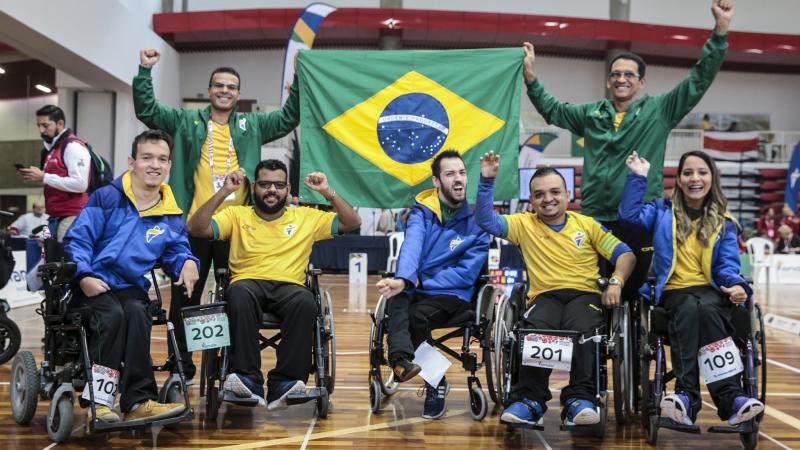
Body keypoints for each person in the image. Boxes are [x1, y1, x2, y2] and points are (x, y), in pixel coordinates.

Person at [521, 0, 733, 306]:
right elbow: (553, 111)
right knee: (593, 290)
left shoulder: (660, 110)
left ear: (641, 81)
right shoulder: (591, 113)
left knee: (633, 294)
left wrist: (721, 31)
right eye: (616, 74)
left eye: (629, 74)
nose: (621, 79)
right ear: (608, 81)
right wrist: (531, 78)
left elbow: (698, 80)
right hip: (594, 216)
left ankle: (633, 348)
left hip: (638, 217)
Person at [134, 49, 301, 380]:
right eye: (219, 86)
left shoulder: (252, 124)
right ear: (209, 91)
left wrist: (297, 80)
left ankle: (233, 368)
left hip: (237, 229)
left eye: (231, 87)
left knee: (237, 297)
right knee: (185, 296)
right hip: (192, 227)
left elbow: (288, 118)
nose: (225, 91)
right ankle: (181, 365)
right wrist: (144, 70)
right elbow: (147, 110)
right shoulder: (184, 120)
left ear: (238, 94)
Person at [475, 151, 635, 427]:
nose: (547, 199)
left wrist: (616, 281)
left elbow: (625, 255)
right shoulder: (523, 224)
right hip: (545, 296)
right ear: (531, 200)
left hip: (584, 295)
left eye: (554, 192)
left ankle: (579, 399)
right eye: (539, 194)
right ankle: (529, 400)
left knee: (585, 330)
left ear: (567, 193)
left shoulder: (586, 225)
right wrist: (487, 181)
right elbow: (486, 221)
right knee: (535, 328)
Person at [186, 159, 360, 410]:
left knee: (305, 302)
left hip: (290, 286)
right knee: (238, 295)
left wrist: (327, 192)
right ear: (254, 186)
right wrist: (224, 192)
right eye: (265, 184)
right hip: (247, 283)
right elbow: (196, 228)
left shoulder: (306, 217)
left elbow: (352, 223)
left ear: (288, 189)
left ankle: (286, 383)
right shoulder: (236, 214)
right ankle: (247, 379)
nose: (272, 190)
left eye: (279, 185)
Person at [63, 130, 200, 422]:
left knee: (139, 314)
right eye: (147, 157)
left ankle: (139, 401)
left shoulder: (170, 211)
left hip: (129, 287)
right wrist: (84, 276)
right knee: (111, 316)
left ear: (169, 165)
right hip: (91, 284)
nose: (155, 164)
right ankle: (100, 402)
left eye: (162, 159)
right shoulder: (107, 197)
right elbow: (78, 240)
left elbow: (176, 249)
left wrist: (187, 262)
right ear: (132, 162)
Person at [620, 150, 764, 427]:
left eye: (701, 172)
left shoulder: (725, 222)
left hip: (710, 291)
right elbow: (629, 216)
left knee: (706, 307)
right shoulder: (662, 211)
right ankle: (708, 397)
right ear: (679, 179)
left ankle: (711, 397)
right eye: (688, 173)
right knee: (692, 307)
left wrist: (735, 285)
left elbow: (727, 266)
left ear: (712, 178)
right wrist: (637, 176)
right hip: (673, 292)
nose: (695, 178)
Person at [376, 150, 490, 419]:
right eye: (450, 174)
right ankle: (402, 362)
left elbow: (465, 274)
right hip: (419, 288)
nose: (459, 179)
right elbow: (412, 246)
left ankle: (434, 383)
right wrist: (404, 279)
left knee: (416, 316)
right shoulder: (422, 213)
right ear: (436, 181)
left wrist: (421, 279)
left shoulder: (478, 223)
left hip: (453, 294)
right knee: (397, 297)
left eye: (462, 172)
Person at [18, 105, 91, 242]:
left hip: (72, 216)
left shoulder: (73, 147)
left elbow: (81, 184)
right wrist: (39, 177)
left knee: (66, 260)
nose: (41, 130)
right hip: (54, 216)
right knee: (52, 259)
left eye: (45, 125)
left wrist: (44, 176)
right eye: (38, 126)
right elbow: (55, 180)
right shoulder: (50, 150)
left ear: (60, 124)